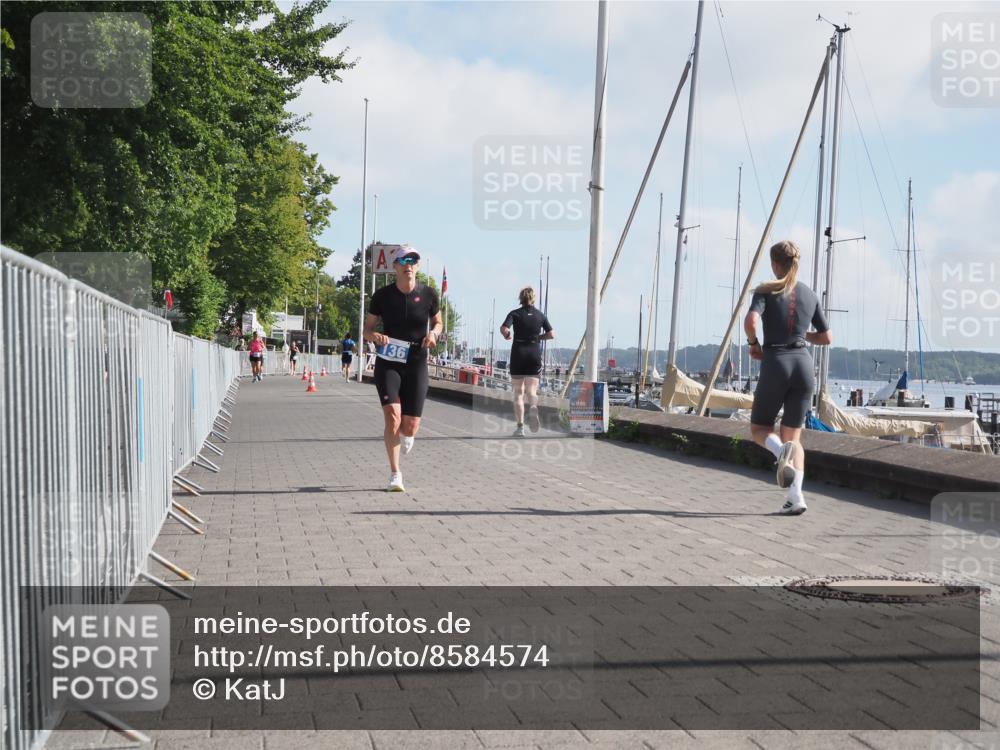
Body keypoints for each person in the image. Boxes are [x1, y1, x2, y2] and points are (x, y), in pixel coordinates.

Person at [744, 240, 832, 516]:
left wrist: (753, 344)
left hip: (777, 363)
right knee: (794, 440)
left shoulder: (766, 290)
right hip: (804, 366)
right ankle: (796, 498)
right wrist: (801, 334)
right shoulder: (809, 293)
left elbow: (750, 321)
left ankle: (778, 451)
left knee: (760, 429)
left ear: (775, 264)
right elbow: (827, 338)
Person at [364, 247, 442, 492]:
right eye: (403, 260)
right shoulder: (382, 296)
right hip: (389, 361)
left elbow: (438, 322)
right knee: (393, 417)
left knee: (409, 426)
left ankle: (408, 435)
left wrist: (433, 333)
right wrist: (374, 335)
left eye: (413, 260)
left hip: (416, 362)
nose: (409, 264)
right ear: (394, 266)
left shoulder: (429, 294)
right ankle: (395, 474)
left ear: (417, 266)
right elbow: (366, 329)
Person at [500, 287, 554, 437]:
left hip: (518, 353)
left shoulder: (515, 313)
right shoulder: (540, 315)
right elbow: (551, 334)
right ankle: (534, 407)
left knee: (518, 393)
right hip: (534, 354)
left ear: (520, 298)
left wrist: (507, 335)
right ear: (534, 298)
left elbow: (504, 328)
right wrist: (539, 338)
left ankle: (520, 428)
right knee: (531, 391)